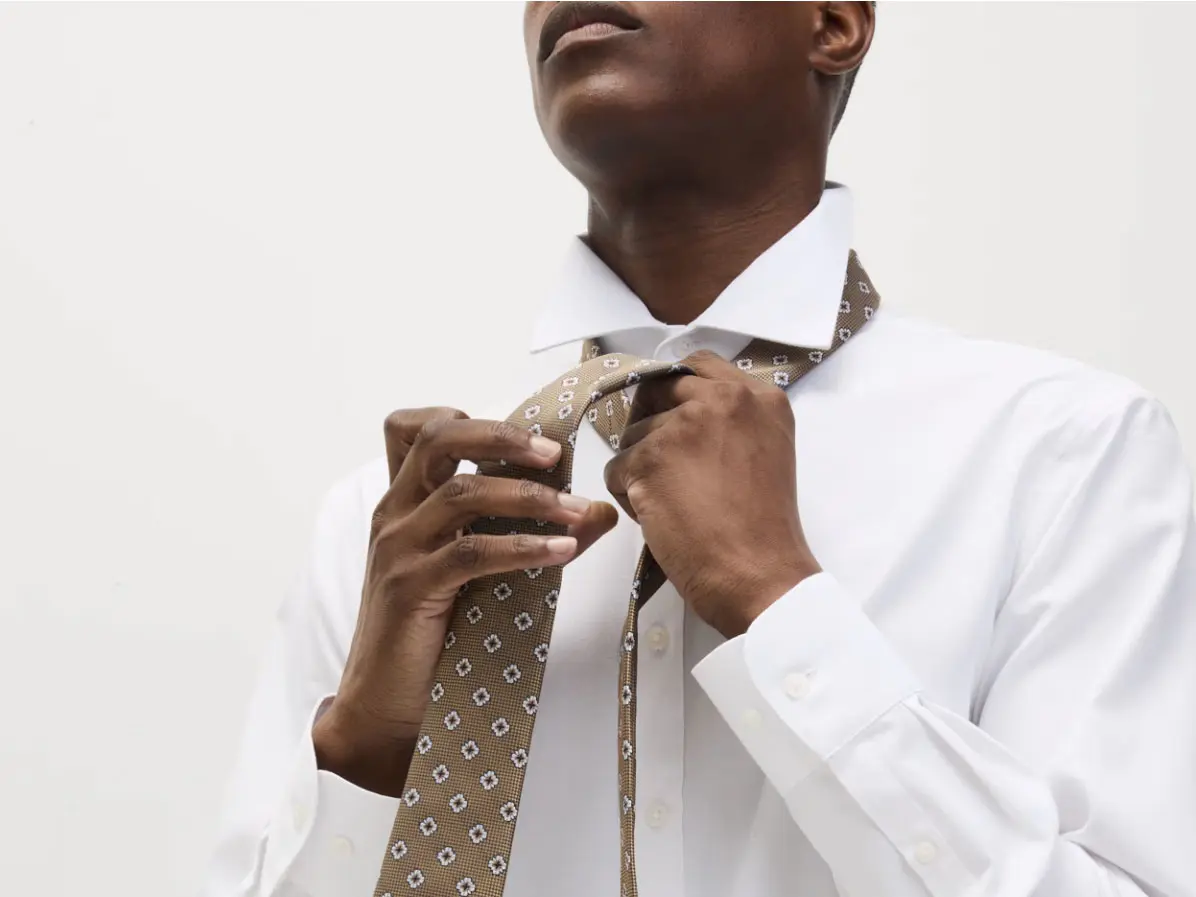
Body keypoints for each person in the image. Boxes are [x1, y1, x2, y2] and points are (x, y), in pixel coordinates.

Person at [204, 3, 1196, 896]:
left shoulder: (1062, 456)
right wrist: (369, 744)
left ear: (832, 23)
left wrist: (778, 604)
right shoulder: (393, 529)